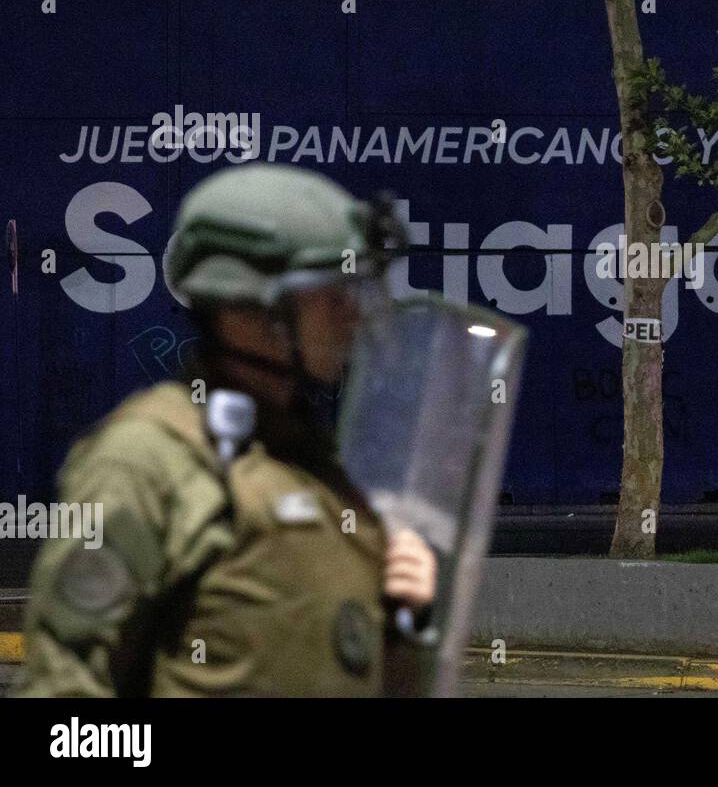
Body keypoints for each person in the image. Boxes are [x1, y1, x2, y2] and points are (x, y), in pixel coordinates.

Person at [15, 164, 438, 697]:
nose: (351, 315)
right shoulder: (145, 461)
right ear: (254, 311)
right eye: (331, 295)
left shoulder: (314, 469)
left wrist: (407, 622)